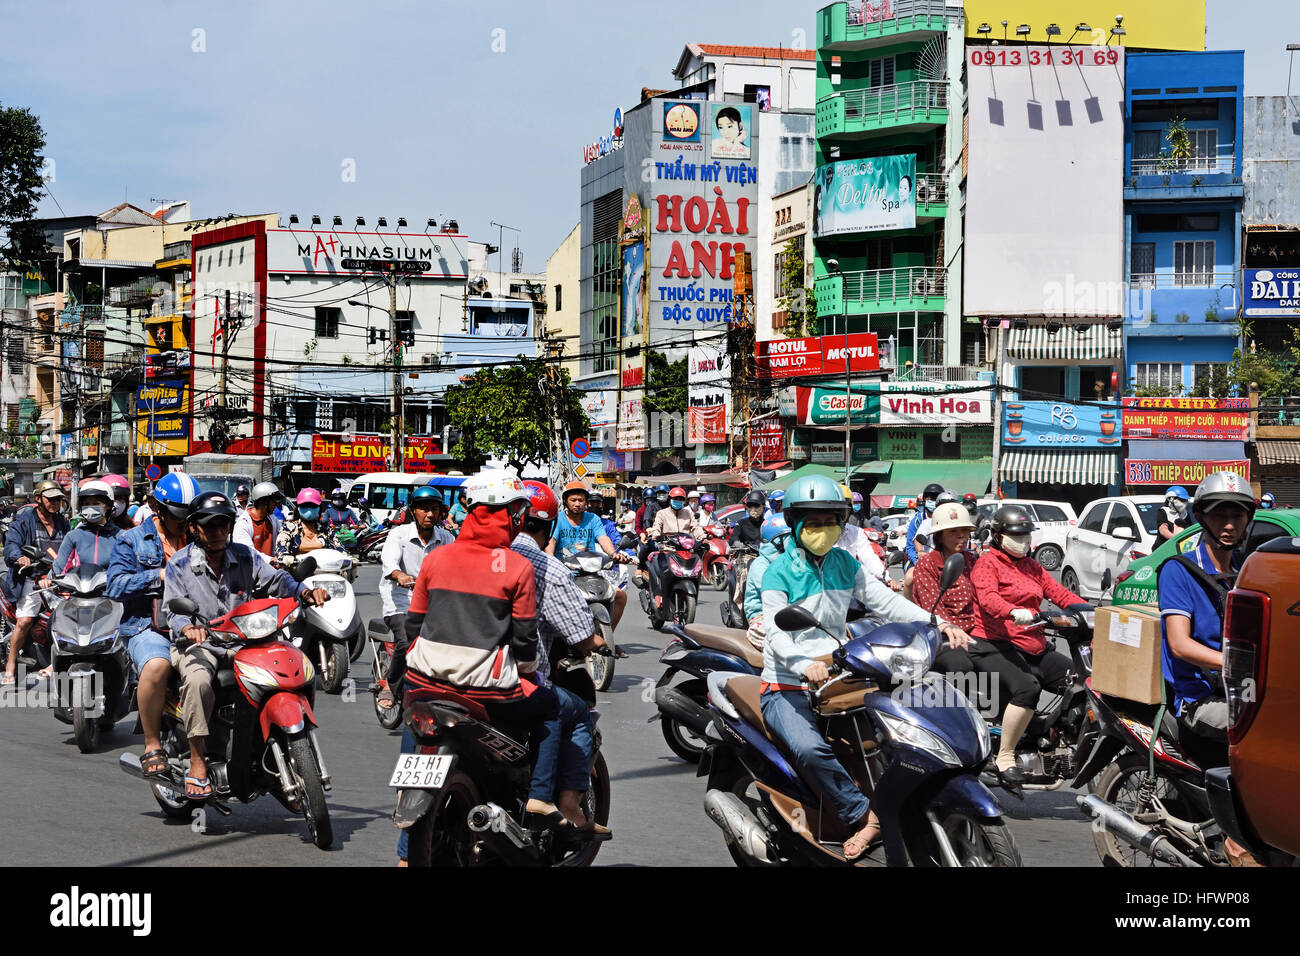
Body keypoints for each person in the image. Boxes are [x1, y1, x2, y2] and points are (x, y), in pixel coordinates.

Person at [760, 474, 970, 860]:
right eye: (813, 522)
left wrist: (936, 623)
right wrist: (803, 663)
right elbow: (775, 633)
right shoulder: (777, 573)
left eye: (830, 521)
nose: (823, 529)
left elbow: (885, 603)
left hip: (841, 675)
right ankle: (864, 816)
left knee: (898, 734)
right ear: (795, 524)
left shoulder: (844, 562)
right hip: (787, 684)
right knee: (810, 750)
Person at [400, 471, 565, 830]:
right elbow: (524, 640)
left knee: (413, 717)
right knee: (552, 707)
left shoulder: (436, 558)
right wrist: (527, 671)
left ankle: (404, 843)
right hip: (486, 689)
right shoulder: (517, 565)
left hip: (425, 680)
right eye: (517, 512)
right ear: (508, 515)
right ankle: (538, 798)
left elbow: (413, 626)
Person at [164, 492, 329, 798]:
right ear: (195, 528)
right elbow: (171, 611)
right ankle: (198, 762)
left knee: (289, 667)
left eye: (223, 525)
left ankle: (271, 752)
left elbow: (278, 580)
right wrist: (187, 627)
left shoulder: (245, 555)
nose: (217, 532)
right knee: (199, 682)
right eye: (209, 526)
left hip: (245, 642)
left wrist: (304, 592)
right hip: (203, 644)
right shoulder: (180, 562)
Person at [1158, 472, 1261, 866]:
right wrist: (1234, 663)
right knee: (1257, 735)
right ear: (1202, 517)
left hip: (1244, 688)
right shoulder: (1179, 571)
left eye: (1237, 515)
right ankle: (1237, 839)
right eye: (1220, 515)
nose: (1230, 524)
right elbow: (1179, 644)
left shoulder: (1247, 571)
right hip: (1200, 700)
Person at [512, 480, 610, 834]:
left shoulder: (466, 557)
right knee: (570, 710)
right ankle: (562, 801)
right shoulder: (546, 569)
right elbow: (582, 636)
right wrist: (595, 642)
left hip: (443, 676)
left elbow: (607, 546)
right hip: (511, 679)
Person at [969, 505, 1089, 793]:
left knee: (1086, 682)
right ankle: (1006, 755)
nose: (1023, 540)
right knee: (1028, 688)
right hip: (994, 644)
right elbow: (988, 599)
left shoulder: (1033, 567)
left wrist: (1089, 611)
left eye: (1026, 534)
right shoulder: (987, 564)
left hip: (1034, 644)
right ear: (997, 536)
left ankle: (1051, 735)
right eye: (1015, 534)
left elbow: (1058, 592)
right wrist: (1013, 611)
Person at [106, 472, 199, 779]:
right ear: (157, 508)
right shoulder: (130, 540)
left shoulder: (198, 537)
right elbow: (115, 586)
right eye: (177, 516)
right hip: (147, 626)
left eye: (189, 517)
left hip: (194, 624)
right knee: (158, 665)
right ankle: (151, 744)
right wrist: (156, 576)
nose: (184, 523)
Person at [377, 486, 454, 712]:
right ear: (413, 510)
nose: (429, 514)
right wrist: (399, 574)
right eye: (423, 509)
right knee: (406, 639)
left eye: (434, 509)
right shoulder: (398, 535)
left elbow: (455, 568)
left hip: (433, 604)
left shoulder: (447, 538)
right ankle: (391, 686)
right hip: (401, 601)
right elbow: (390, 563)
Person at [3, 481, 69, 685]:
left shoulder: (63, 523)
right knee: (24, 621)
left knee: (72, 617)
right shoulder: (23, 521)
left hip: (58, 581)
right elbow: (12, 545)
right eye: (51, 499)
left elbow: (73, 546)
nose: (55, 503)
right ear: (39, 499)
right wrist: (20, 558)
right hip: (31, 578)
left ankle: (55, 662)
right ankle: (11, 666)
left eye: (58, 499)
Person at [908, 501, 979, 675]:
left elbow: (982, 599)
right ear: (939, 536)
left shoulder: (971, 559)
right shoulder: (927, 564)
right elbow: (934, 609)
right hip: (941, 633)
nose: (961, 536)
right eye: (953, 531)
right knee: (962, 666)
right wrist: (953, 629)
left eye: (964, 531)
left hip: (975, 631)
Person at [547, 481, 629, 629]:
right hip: (565, 574)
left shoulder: (593, 519)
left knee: (620, 596)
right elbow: (551, 541)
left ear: (586, 502)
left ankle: (608, 637)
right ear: (565, 501)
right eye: (573, 500)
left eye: (581, 500)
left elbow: (603, 539)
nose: (577, 504)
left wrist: (614, 554)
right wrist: (550, 559)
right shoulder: (558, 519)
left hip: (591, 573)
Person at [644, 486, 706, 608]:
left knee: (695, 571)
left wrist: (703, 537)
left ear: (684, 501)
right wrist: (656, 535)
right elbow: (657, 526)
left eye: (680, 499)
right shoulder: (662, 513)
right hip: (667, 549)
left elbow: (695, 527)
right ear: (670, 499)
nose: (678, 501)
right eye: (675, 498)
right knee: (662, 571)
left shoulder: (688, 513)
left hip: (685, 549)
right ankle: (659, 596)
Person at [743, 516, 790, 649]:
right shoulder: (761, 564)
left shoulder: (789, 562)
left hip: (787, 614)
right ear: (777, 541)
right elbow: (773, 591)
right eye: (790, 538)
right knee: (781, 646)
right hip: (762, 616)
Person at [54, 480, 121, 573]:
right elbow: (59, 567)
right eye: (86, 504)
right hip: (80, 586)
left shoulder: (121, 536)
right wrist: (48, 580)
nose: (90, 507)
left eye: (96, 504)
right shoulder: (73, 536)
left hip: (111, 586)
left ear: (108, 505)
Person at [275, 488, 338, 559]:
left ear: (319, 508)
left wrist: (345, 556)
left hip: (325, 568)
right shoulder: (289, 527)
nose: (309, 509)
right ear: (298, 508)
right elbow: (281, 544)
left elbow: (338, 545)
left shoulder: (326, 528)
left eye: (313, 506)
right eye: (305, 506)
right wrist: (285, 556)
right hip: (298, 568)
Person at [234, 481, 282, 564]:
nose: (276, 504)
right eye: (273, 501)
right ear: (264, 502)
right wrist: (270, 560)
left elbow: (282, 533)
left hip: (271, 571)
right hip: (252, 572)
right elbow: (248, 552)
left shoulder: (272, 519)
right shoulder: (242, 524)